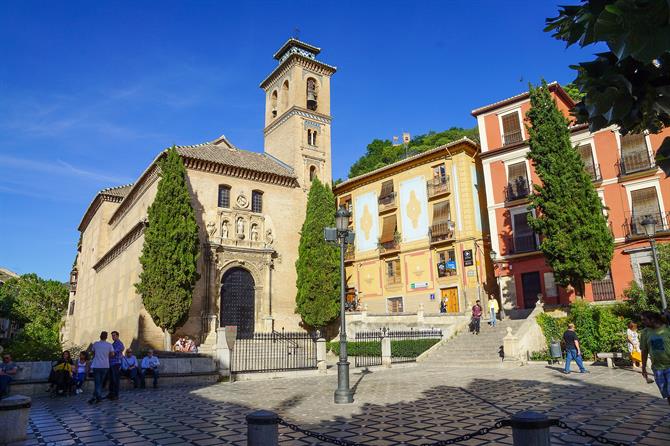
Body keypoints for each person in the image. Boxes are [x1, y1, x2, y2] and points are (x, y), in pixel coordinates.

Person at [640, 311, 670, 406]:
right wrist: (643, 367)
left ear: (652, 319)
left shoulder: (667, 329)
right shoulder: (645, 332)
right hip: (657, 369)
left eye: (644, 320)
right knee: (667, 394)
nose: (643, 322)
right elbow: (644, 350)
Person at [88, 331, 114, 404]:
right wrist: (106, 356)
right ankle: (95, 397)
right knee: (100, 383)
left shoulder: (96, 344)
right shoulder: (109, 345)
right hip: (105, 365)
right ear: (106, 337)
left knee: (97, 383)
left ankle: (97, 397)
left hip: (96, 365)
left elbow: (92, 353)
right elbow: (112, 354)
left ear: (100, 336)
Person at [107, 331, 124, 400]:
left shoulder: (119, 344)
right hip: (111, 363)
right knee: (111, 379)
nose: (113, 337)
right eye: (112, 336)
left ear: (117, 336)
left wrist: (108, 354)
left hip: (116, 364)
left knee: (115, 379)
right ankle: (111, 393)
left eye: (114, 335)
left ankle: (115, 395)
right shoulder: (113, 344)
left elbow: (113, 353)